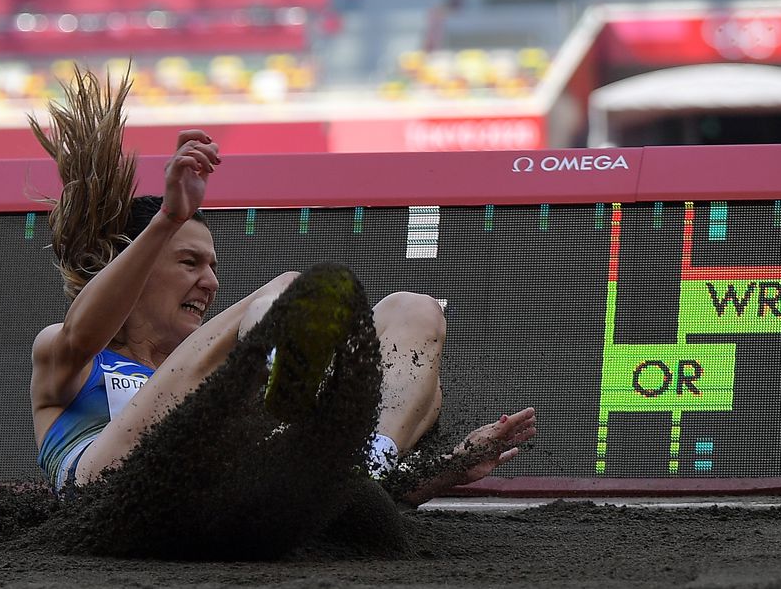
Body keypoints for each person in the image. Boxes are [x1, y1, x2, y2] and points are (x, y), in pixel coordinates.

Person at [28, 67, 536, 513]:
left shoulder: (206, 370)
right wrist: (167, 218)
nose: (211, 282)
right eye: (189, 263)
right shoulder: (68, 356)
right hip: (102, 493)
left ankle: (366, 468)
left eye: (212, 264)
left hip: (212, 502)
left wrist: (448, 468)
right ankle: (292, 395)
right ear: (132, 267)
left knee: (414, 312)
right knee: (290, 289)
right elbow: (81, 334)